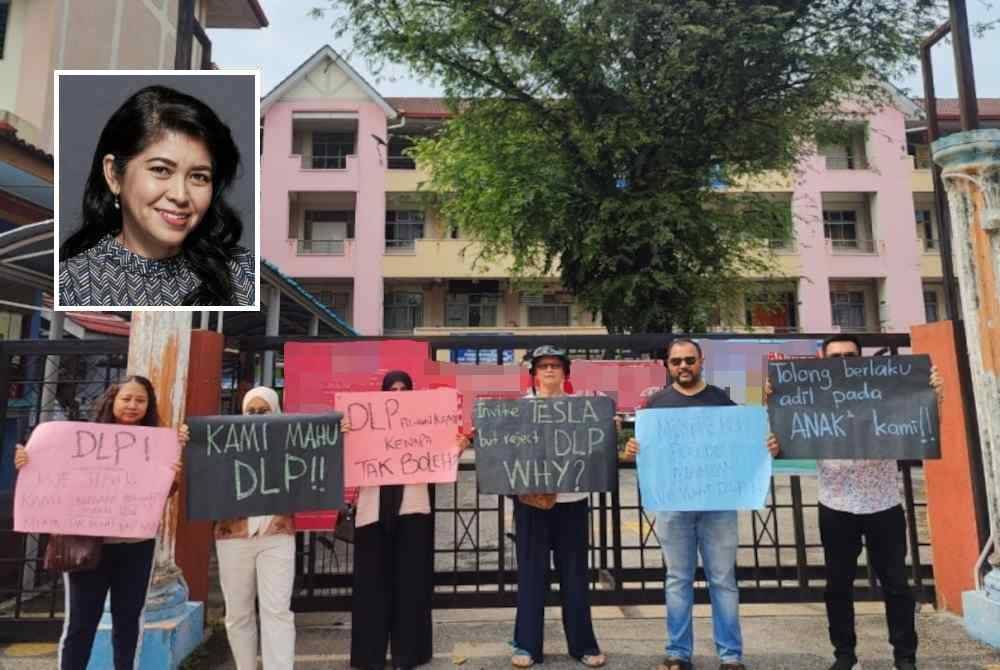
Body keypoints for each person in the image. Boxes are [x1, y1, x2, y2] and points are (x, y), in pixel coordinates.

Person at [765, 334, 943, 670]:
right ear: (823, 358)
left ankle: (905, 658)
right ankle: (845, 657)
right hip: (835, 504)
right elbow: (783, 440)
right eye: (835, 355)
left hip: (884, 503)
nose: (843, 359)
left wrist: (935, 393)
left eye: (850, 354)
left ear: (861, 358)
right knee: (837, 586)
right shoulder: (809, 397)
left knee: (897, 586)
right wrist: (775, 415)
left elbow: (925, 426)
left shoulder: (886, 391)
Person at [14, 376, 187, 670]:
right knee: (81, 623)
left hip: (136, 547)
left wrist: (174, 470)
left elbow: (163, 494)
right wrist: (27, 460)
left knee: (128, 622)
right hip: (86, 545)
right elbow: (51, 474)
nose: (132, 405)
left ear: (149, 406)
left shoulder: (158, 443)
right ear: (112, 400)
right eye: (127, 399)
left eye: (140, 401)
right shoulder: (79, 439)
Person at [59, 85, 254, 307]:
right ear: (113, 174)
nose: (180, 195)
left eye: (199, 177)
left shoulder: (243, 273)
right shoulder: (69, 283)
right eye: (161, 170)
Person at [623, 339, 747, 670]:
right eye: (676, 361)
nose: (683, 366)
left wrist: (764, 444)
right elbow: (638, 453)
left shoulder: (722, 400)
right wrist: (631, 450)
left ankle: (731, 656)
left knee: (722, 579)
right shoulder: (655, 405)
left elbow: (742, 443)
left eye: (689, 360)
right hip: (673, 505)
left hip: (718, 504)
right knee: (678, 579)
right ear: (667, 365)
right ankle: (678, 652)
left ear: (701, 361)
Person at [348, 371, 472, 670]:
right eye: (392, 388)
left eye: (405, 389)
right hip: (372, 515)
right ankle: (369, 657)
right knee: (371, 587)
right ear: (382, 393)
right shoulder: (363, 424)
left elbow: (440, 460)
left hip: (412, 513)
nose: (399, 393)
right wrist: (346, 433)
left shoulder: (420, 424)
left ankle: (410, 654)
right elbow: (345, 458)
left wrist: (459, 445)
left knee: (411, 585)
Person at [511, 346, 607, 669]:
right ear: (534, 374)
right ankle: (526, 646)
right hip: (531, 504)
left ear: (565, 373)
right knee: (531, 576)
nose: (549, 370)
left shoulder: (582, 409)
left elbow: (598, 450)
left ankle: (583, 644)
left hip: (572, 503)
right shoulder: (516, 411)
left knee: (575, 575)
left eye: (555, 365)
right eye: (543, 366)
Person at [212, 387, 295, 670]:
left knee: (278, 611)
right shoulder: (225, 442)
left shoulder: (291, 442)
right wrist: (190, 440)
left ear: (276, 412)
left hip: (277, 535)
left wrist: (338, 431)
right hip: (233, 536)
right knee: (238, 613)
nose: (258, 416)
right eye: (252, 411)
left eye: (264, 411)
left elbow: (320, 457)